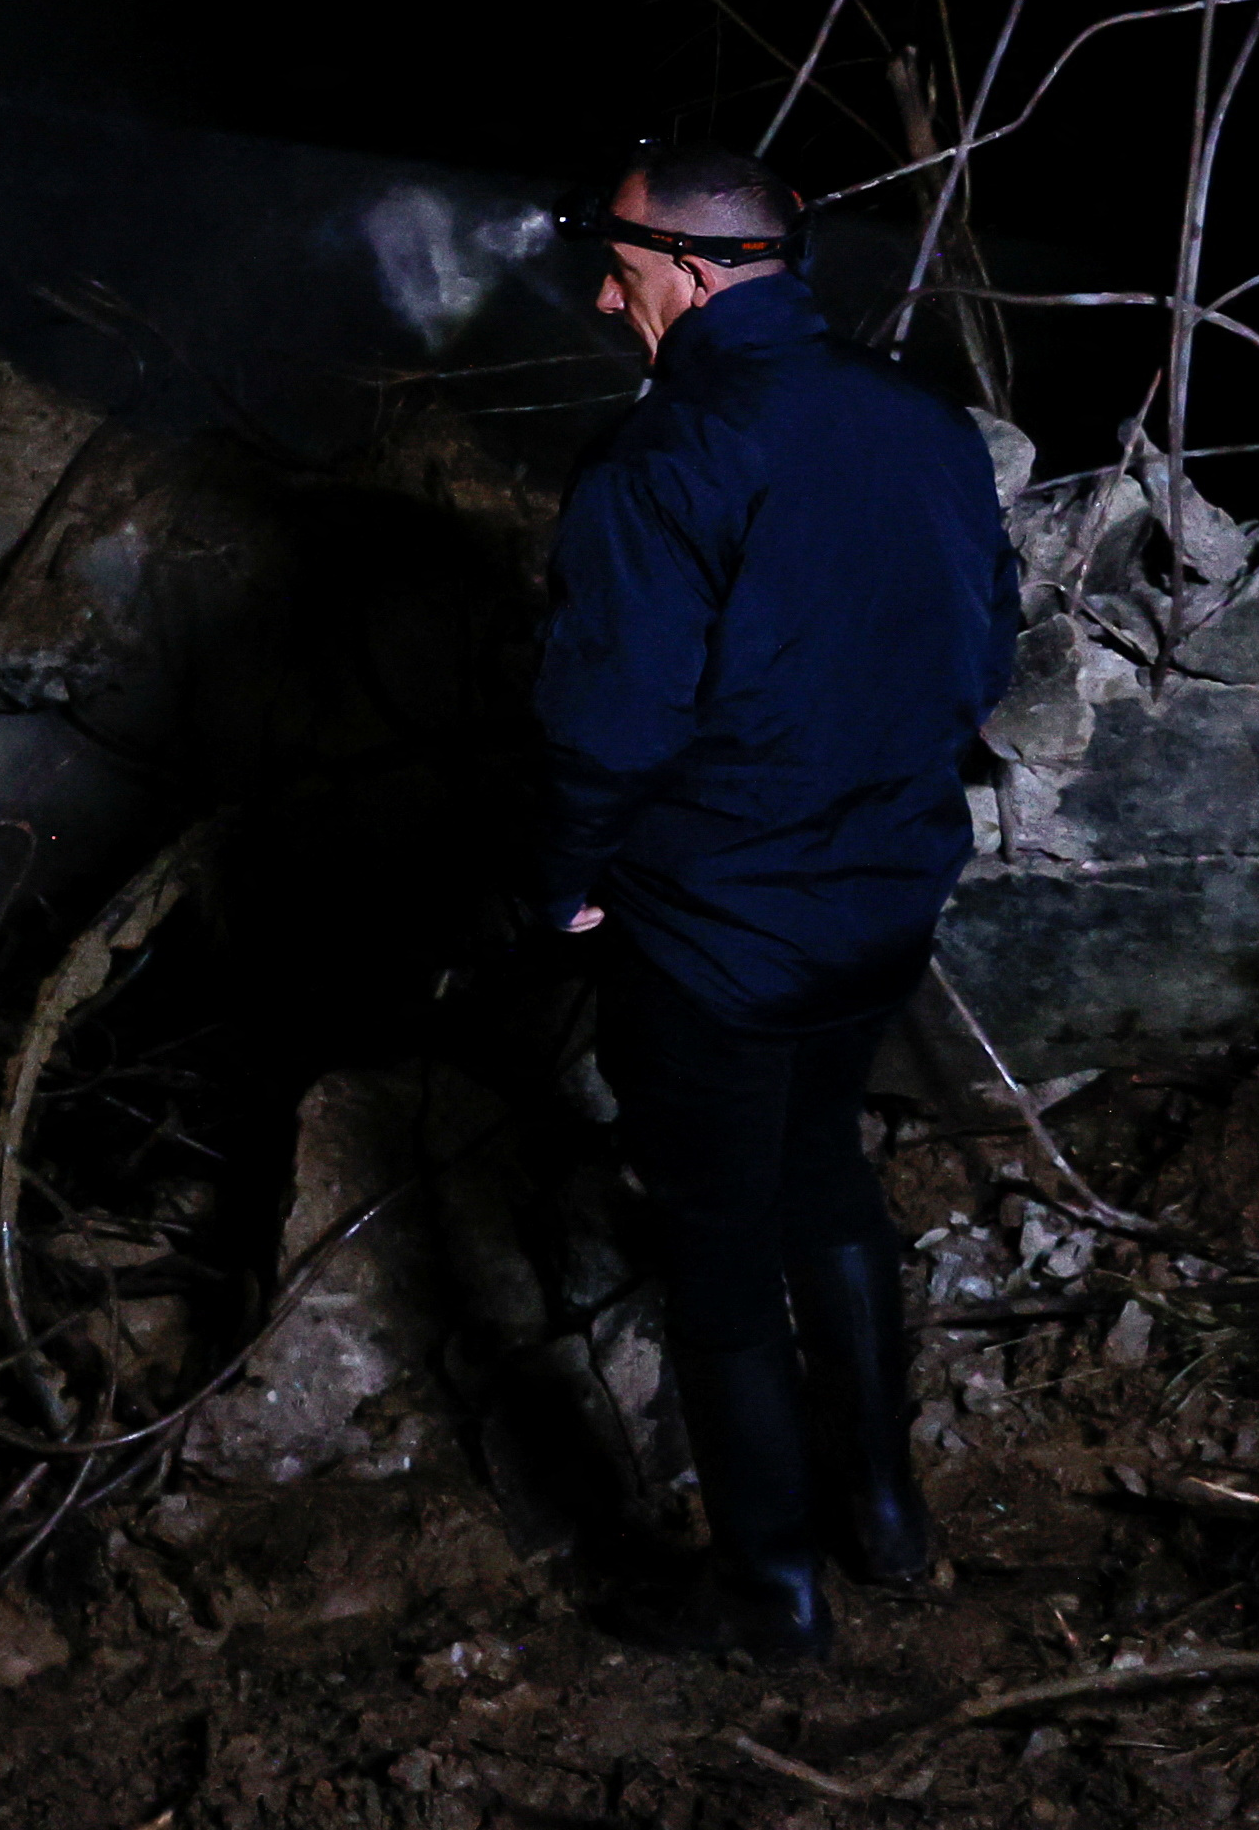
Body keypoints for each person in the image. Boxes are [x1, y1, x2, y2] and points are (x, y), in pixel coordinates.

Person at [537, 144, 1021, 1666]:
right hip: (879, 904)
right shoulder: (924, 426)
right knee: (824, 1173)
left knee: (720, 1237)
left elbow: (606, 722)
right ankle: (883, 1520)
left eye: (618, 277)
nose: (607, 306)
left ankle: (769, 1594)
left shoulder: (664, 456)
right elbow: (977, 650)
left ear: (682, 270)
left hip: (714, 932)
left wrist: (562, 882)